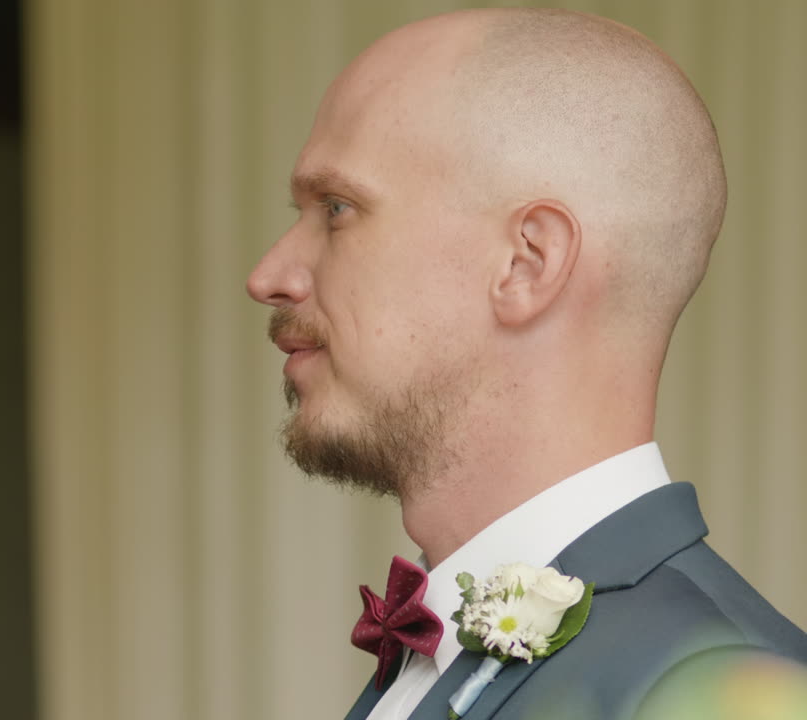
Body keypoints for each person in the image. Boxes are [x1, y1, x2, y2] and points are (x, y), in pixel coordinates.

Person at [245, 7, 807, 720]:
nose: (269, 274)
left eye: (336, 208)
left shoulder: (717, 689)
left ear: (525, 263)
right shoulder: (432, 647)